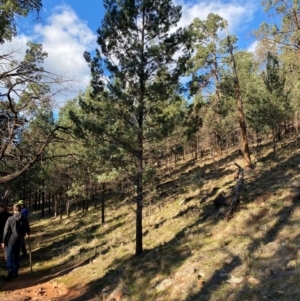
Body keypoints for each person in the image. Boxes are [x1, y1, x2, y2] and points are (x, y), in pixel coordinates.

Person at [1, 203, 30, 280]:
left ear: (13, 210)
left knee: (9, 255)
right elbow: (27, 229)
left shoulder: (10, 219)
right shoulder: (24, 218)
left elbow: (6, 231)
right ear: (20, 209)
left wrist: (3, 241)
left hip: (11, 240)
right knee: (16, 255)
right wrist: (27, 233)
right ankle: (15, 271)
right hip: (20, 239)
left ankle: (10, 269)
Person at [0, 203, 12, 267]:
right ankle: (7, 260)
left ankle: (7, 260)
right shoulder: (10, 215)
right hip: (8, 234)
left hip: (2, 233)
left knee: (5, 247)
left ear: (2, 208)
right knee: (6, 247)